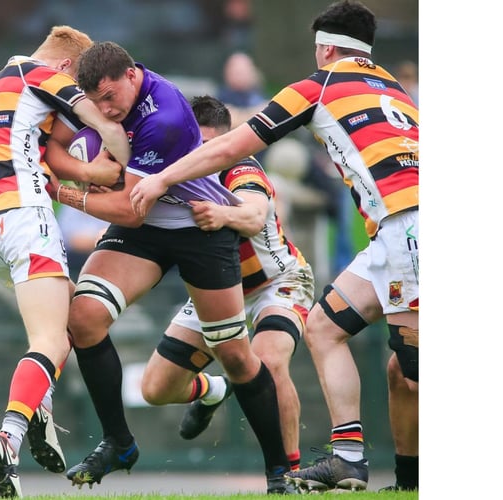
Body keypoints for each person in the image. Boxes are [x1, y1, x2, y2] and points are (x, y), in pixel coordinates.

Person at [130, 0, 419, 493]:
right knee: (327, 329)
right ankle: (355, 461)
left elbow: (232, 144)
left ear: (326, 48)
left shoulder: (320, 85)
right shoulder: (396, 90)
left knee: (415, 370)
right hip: (393, 234)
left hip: (407, 226)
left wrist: (162, 179)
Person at [48, 40, 292, 494]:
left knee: (237, 357)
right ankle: (118, 442)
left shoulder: (163, 118)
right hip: (147, 230)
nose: (104, 110)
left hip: (197, 228)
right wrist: (84, 171)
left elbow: (130, 208)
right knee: (83, 319)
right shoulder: (106, 97)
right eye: (95, 101)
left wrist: (63, 191)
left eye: (110, 98)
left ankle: (280, 471)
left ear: (132, 76)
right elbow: (55, 149)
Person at [0, 25, 131, 498]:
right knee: (52, 339)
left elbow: (45, 144)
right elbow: (103, 124)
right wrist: (122, 165)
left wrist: (81, 172)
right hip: (24, 218)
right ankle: (11, 435)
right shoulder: (45, 75)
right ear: (64, 68)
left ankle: (45, 412)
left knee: (71, 318)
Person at [139, 95, 315, 489]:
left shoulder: (240, 167)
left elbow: (253, 216)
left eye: (206, 146)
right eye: (190, 144)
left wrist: (223, 214)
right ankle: (213, 389)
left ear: (225, 142)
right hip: (216, 288)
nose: (197, 155)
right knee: (155, 389)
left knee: (268, 361)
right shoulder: (169, 167)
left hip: (277, 282)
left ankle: (289, 476)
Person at [216, 51, 268, 128]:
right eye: (236, 72)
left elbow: (268, 117)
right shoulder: (221, 97)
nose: (240, 76)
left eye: (243, 71)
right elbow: (228, 120)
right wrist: (255, 114)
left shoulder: (258, 94)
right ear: (227, 73)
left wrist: (240, 115)